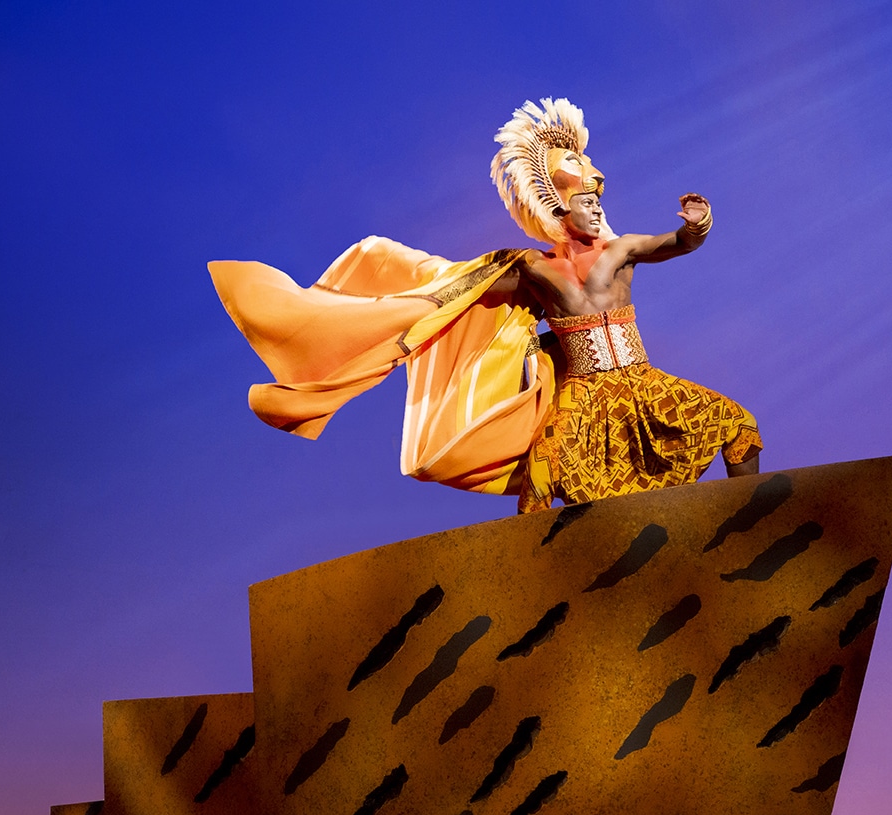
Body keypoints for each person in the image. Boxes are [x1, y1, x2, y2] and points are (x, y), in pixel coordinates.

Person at [210, 98, 759, 513]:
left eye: (598, 199)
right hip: (583, 399)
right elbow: (456, 294)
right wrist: (409, 302)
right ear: (557, 205)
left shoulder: (622, 251)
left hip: (642, 383)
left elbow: (678, 243)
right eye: (585, 200)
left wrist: (698, 224)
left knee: (736, 425)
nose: (596, 205)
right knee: (543, 483)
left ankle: (759, 519)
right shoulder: (533, 268)